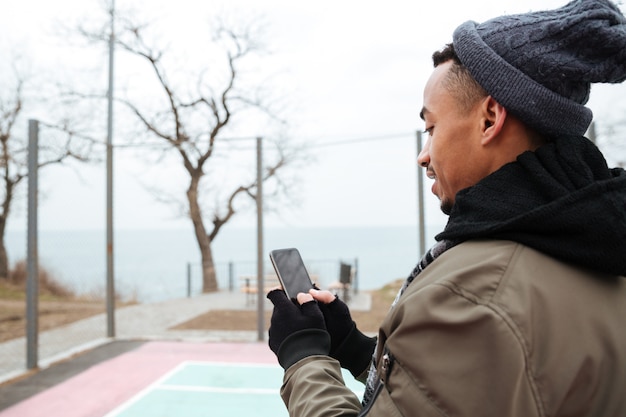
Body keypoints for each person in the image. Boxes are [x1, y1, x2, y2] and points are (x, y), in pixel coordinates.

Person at [266, 0, 626, 415]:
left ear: (490, 118)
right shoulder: (596, 250)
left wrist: (305, 358)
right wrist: (354, 347)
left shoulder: (470, 294)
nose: (423, 155)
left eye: (431, 127)